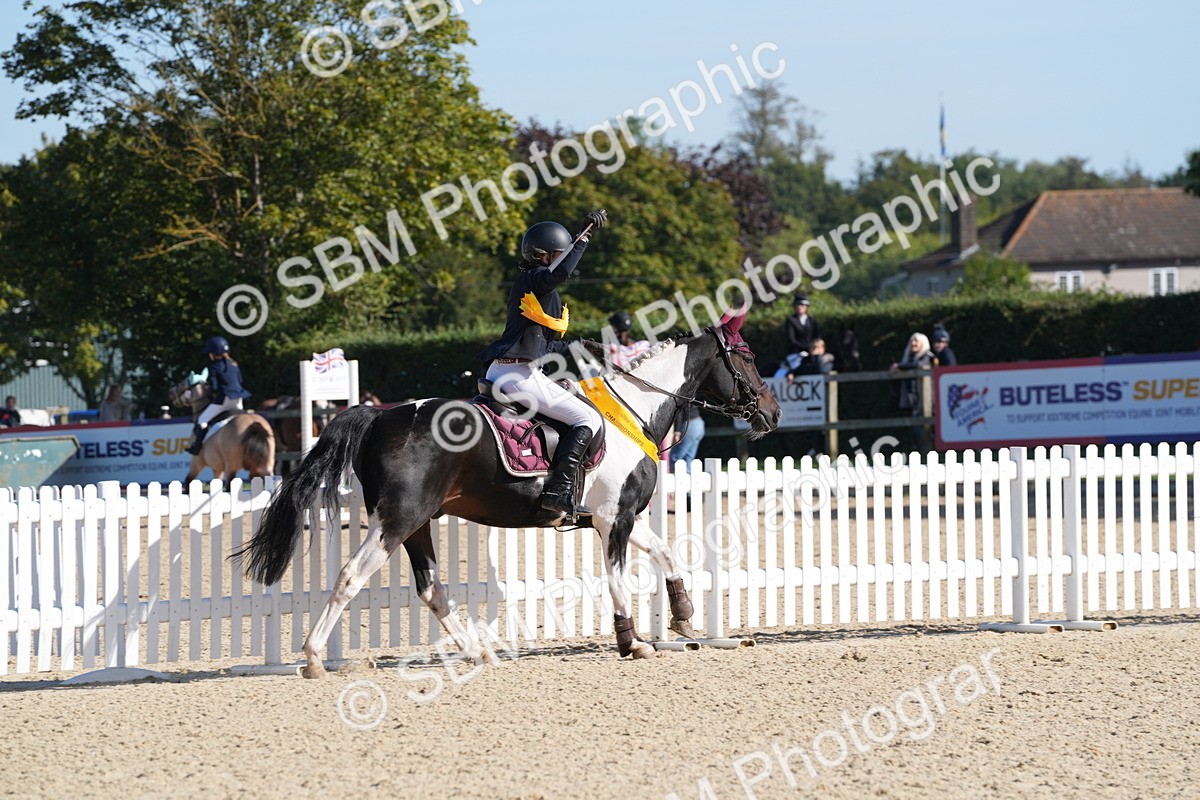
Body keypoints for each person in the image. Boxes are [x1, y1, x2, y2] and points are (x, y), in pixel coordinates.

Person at [479, 210, 608, 518]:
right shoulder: (536, 279)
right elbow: (558, 274)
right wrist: (583, 239)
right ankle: (557, 492)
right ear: (544, 255)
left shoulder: (537, 289)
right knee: (587, 419)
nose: (564, 262)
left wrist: (579, 345)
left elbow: (542, 345)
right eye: (560, 255)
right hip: (518, 375)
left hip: (509, 369)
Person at [187, 336, 252, 454]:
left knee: (202, 419)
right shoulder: (234, 364)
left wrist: (209, 393)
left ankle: (196, 448)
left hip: (224, 399)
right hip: (239, 399)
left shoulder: (214, 366)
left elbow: (214, 387)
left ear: (213, 353)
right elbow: (240, 381)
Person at [669, 404, 705, 470]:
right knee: (688, 458)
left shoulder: (680, 396)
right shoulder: (690, 394)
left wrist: (677, 432)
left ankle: (677, 478)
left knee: (675, 458)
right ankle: (688, 477)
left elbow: (679, 412)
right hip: (699, 423)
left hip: (689, 424)